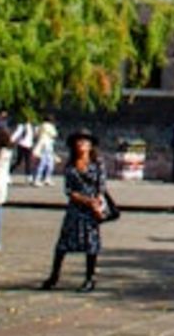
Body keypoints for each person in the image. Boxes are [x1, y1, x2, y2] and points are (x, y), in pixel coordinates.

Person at [41, 132, 108, 291]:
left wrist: (96, 203)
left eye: (85, 142)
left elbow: (102, 186)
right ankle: (54, 276)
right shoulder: (70, 165)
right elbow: (69, 190)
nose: (81, 144)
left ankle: (90, 278)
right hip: (76, 208)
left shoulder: (97, 163)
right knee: (63, 244)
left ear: (90, 146)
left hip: (92, 210)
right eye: (79, 142)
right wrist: (86, 200)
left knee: (91, 244)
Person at [31, 117, 58, 186]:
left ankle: (37, 179)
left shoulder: (39, 126)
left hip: (40, 145)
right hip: (48, 145)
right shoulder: (50, 126)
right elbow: (54, 135)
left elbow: (36, 135)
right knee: (49, 164)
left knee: (41, 163)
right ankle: (46, 179)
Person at [9, 116, 35, 182]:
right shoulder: (22, 126)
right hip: (22, 145)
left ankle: (28, 176)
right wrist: (11, 140)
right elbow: (16, 134)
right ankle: (9, 172)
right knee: (18, 161)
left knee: (28, 161)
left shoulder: (32, 127)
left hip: (29, 146)